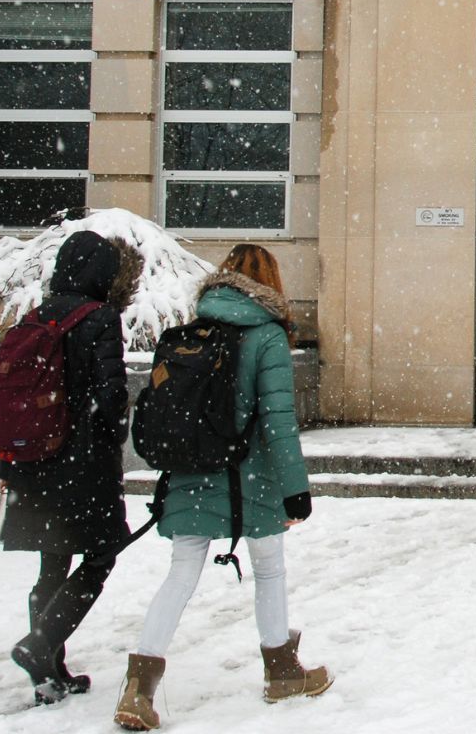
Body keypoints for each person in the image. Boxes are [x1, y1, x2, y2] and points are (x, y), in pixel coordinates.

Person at [114, 244, 329, 731]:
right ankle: (282, 671)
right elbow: (277, 420)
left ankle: (139, 686)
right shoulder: (267, 335)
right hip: (248, 475)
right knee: (269, 568)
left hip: (190, 468)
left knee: (181, 572)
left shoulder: (193, 331)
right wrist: (295, 489)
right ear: (270, 282)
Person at [1, 232, 137, 705]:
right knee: (102, 552)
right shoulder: (100, 317)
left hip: (32, 459)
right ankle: (40, 646)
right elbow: (111, 394)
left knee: (51, 561)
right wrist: (113, 435)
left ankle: (50, 670)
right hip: (81, 462)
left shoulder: (37, 316)